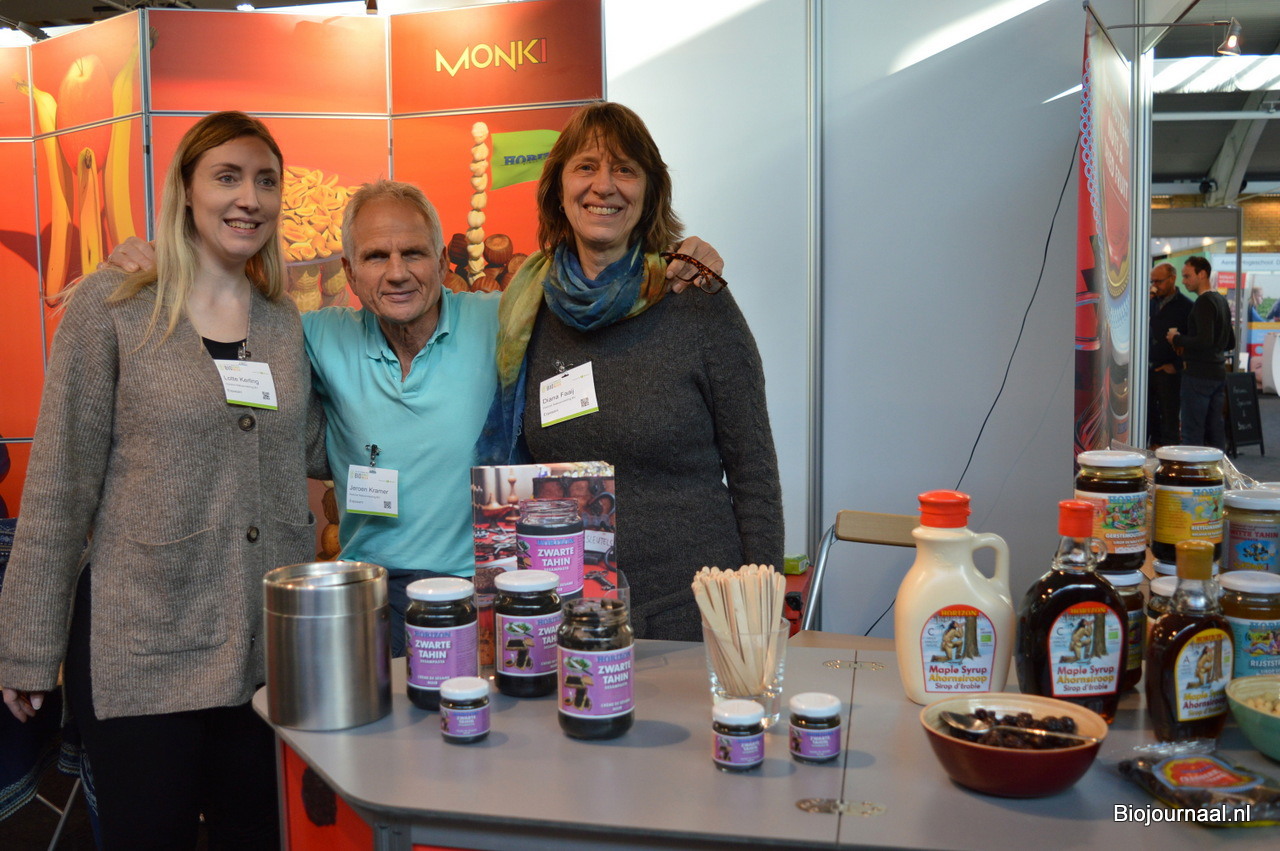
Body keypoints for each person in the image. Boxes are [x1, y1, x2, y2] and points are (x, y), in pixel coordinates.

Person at [106, 180, 724, 656]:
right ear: (349, 273)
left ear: (442, 261)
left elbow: (598, 299)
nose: (397, 272)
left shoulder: (500, 319)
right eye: (376, 256)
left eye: (414, 253)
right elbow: (217, 316)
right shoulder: (317, 335)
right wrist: (149, 271)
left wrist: (674, 264)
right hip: (378, 600)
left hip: (493, 591)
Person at [0, 111, 324, 849]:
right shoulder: (114, 306)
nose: (249, 198)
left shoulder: (282, 322)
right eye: (227, 177)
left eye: (266, 181)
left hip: (262, 658)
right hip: (143, 649)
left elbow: (307, 447)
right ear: (184, 189)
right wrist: (27, 646)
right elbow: (58, 487)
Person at [477, 101, 784, 641]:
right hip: (569, 618)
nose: (604, 186)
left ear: (649, 191)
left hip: (695, 613)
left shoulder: (696, 298)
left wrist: (761, 603)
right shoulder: (528, 309)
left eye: (624, 169)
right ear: (558, 188)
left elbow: (754, 472)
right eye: (586, 167)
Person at [1167, 256, 1235, 450]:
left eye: (1187, 276)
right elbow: (1230, 341)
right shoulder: (1221, 300)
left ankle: (1194, 470)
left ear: (1202, 274)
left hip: (1198, 375)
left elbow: (1204, 341)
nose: (1183, 281)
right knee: (1215, 431)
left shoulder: (1203, 302)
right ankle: (1217, 468)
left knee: (1192, 433)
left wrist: (1177, 339)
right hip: (1217, 373)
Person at [1148, 262, 1191, 447]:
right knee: (1148, 413)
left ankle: (1169, 452)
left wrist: (1176, 365)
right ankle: (1153, 446)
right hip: (1147, 367)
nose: (1155, 285)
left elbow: (1190, 340)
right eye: (1152, 281)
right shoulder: (1148, 303)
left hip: (1169, 370)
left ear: (1172, 279)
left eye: (1159, 281)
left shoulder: (1186, 306)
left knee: (1169, 414)